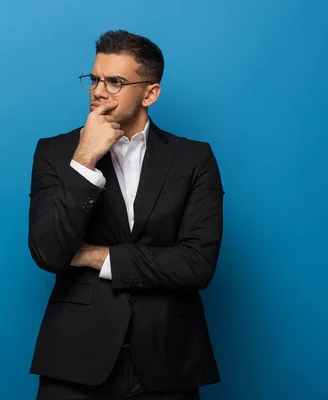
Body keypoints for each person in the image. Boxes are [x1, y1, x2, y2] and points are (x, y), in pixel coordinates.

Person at [27, 29, 224, 400]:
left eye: (115, 82)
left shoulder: (194, 159)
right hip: (74, 358)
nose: (98, 91)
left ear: (150, 93)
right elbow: (49, 253)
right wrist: (84, 160)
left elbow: (197, 265)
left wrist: (97, 256)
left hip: (169, 359)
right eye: (95, 79)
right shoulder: (55, 152)